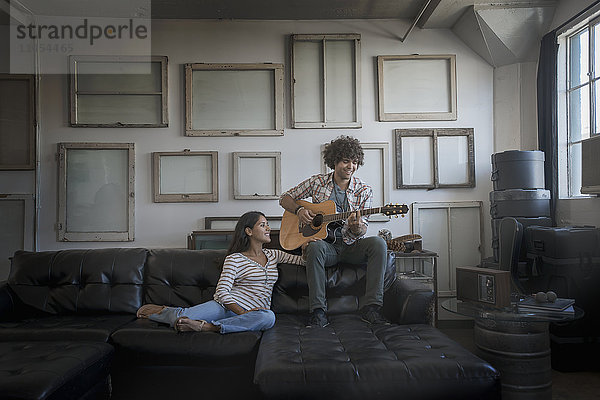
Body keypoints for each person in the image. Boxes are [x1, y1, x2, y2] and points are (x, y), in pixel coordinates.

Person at [279, 135, 389, 328]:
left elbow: (362, 228)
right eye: (346, 161)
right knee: (314, 248)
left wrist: (358, 228)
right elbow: (285, 198)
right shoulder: (317, 182)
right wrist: (299, 210)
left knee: (378, 243)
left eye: (354, 162)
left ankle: (371, 308)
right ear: (335, 161)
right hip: (327, 248)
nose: (351, 166)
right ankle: (318, 312)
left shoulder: (364, 190)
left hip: (351, 246)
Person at [136, 211, 305, 333]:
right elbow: (222, 292)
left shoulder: (273, 255)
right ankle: (158, 311)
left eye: (267, 224)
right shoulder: (235, 259)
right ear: (249, 231)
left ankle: (208, 327)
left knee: (268, 318)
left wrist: (306, 240)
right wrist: (242, 312)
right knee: (181, 318)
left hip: (255, 313)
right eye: (263, 225)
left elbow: (303, 261)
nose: (268, 228)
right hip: (226, 307)